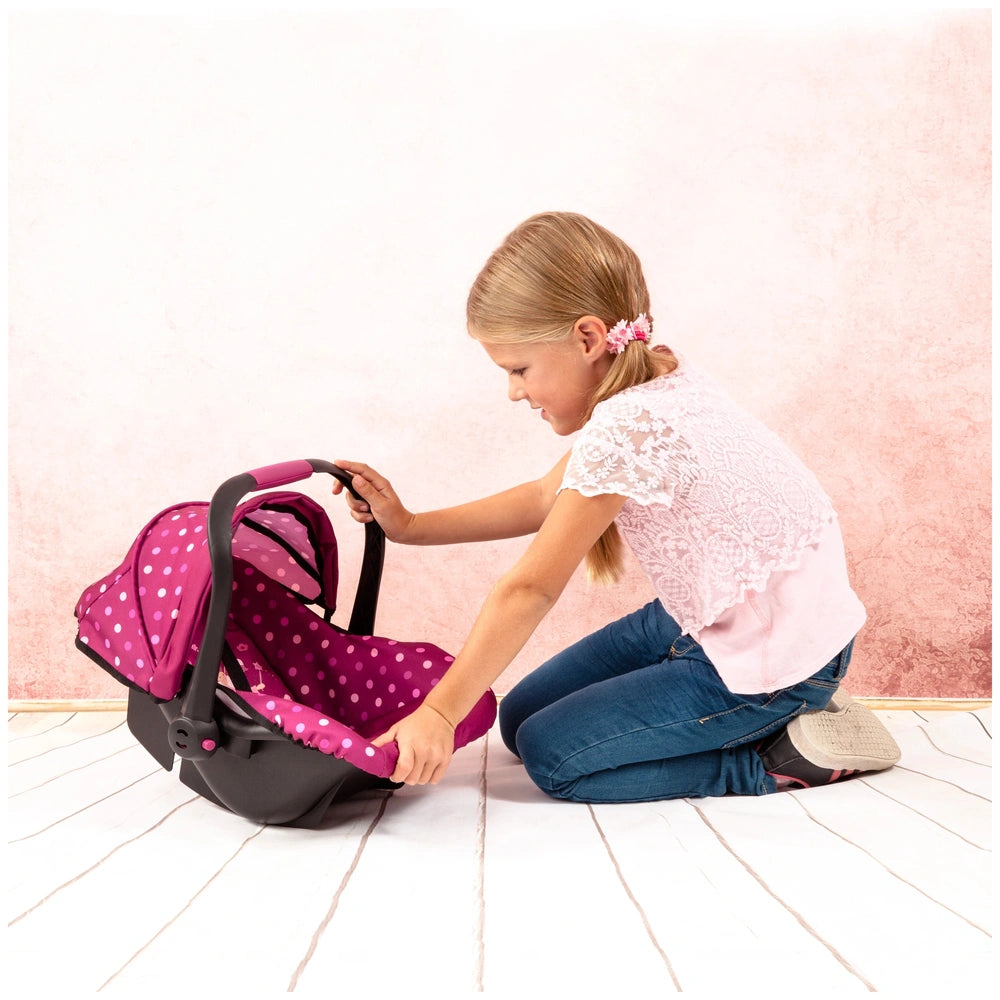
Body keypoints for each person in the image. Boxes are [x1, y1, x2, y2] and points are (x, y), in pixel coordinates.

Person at [333, 211, 900, 802]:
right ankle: (788, 697)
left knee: (557, 759)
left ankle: (778, 759)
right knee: (519, 717)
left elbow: (528, 590)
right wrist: (410, 526)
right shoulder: (657, 378)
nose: (514, 391)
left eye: (519, 369)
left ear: (587, 338)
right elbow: (542, 498)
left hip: (768, 658)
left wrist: (440, 715)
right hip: (718, 617)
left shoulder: (632, 427)